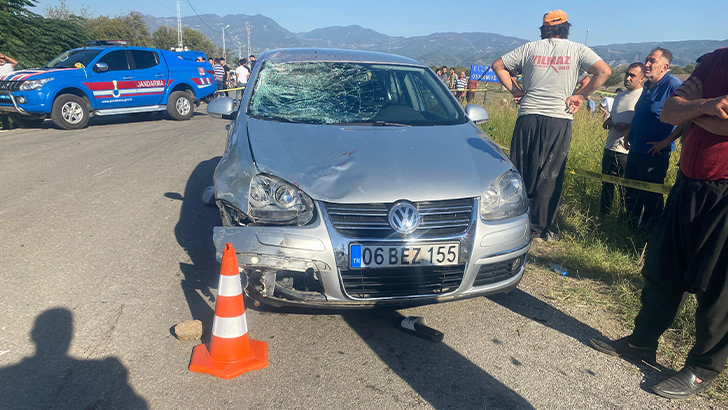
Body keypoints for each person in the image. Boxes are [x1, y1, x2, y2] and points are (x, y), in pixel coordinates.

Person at [591, 47, 728, 400]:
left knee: (717, 284)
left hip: (725, 189)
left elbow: (688, 113)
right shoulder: (716, 60)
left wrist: (694, 109)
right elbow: (670, 111)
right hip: (688, 181)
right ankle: (642, 342)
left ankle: (701, 369)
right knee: (663, 267)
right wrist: (708, 108)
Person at [491, 9, 611, 242]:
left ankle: (513, 223)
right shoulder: (577, 49)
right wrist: (581, 95)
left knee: (521, 169)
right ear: (566, 28)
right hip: (559, 117)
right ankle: (539, 230)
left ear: (544, 29)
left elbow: (498, 66)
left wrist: (516, 90)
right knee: (550, 174)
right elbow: (604, 71)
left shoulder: (529, 49)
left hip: (528, 116)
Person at [623, 48, 685, 233]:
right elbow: (641, 112)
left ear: (665, 66)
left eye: (652, 61)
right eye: (647, 60)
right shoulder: (648, 85)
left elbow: (687, 117)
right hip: (636, 149)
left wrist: (667, 141)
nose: (647, 64)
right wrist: (629, 132)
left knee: (651, 197)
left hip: (654, 153)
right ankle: (629, 231)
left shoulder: (673, 85)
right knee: (631, 194)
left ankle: (649, 236)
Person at [599, 64, 644, 216]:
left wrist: (628, 126)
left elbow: (643, 123)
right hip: (609, 147)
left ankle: (624, 220)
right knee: (606, 185)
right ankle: (603, 216)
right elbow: (610, 118)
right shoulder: (619, 96)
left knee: (625, 190)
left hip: (625, 151)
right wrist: (608, 122)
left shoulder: (643, 97)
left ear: (642, 78)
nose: (628, 78)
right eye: (627, 74)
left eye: (633, 75)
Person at [0, 52, 18, 130]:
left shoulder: (9, 66)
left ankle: (16, 123)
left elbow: (16, 62)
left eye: (2, 58)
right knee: (2, 108)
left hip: (10, 88)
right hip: (1, 88)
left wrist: (5, 56)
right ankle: (5, 125)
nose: (1, 60)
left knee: (12, 106)